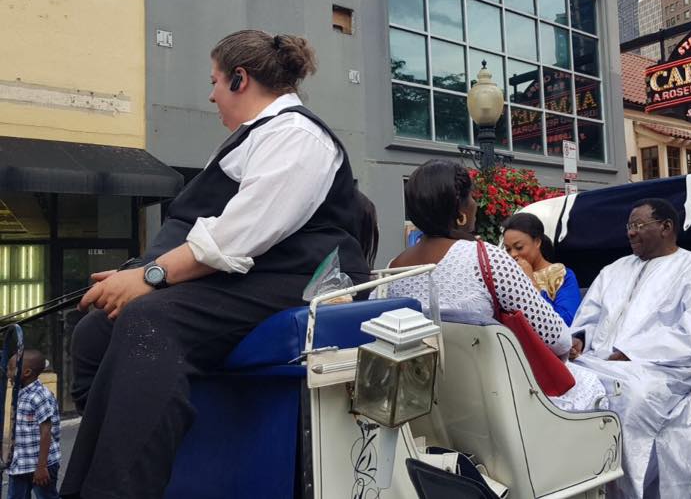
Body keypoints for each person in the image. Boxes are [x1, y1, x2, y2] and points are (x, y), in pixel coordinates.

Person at [62, 30, 369, 499]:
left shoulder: (298, 135)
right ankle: (100, 472)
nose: (210, 95)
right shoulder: (253, 138)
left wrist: (151, 277)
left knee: (150, 320)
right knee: (94, 330)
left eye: (214, 81)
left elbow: (240, 234)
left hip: (296, 281)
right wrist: (134, 272)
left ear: (240, 79)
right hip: (244, 277)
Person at [387, 160, 605, 412]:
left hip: (426, 398)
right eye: (471, 197)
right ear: (461, 213)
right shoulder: (485, 257)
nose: (476, 204)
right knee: (595, 388)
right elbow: (557, 338)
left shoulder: (394, 266)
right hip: (491, 398)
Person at [568, 198, 691, 499]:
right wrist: (579, 337)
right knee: (562, 383)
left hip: (661, 369)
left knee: (629, 399)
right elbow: (590, 315)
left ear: (666, 227)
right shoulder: (614, 270)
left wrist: (632, 353)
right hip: (598, 361)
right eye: (629, 227)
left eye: (638, 225)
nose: (630, 233)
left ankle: (629, 491)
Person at [502, 213, 582, 325]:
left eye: (519, 247)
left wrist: (531, 282)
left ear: (537, 242)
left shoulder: (561, 275)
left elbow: (567, 321)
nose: (513, 254)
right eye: (508, 249)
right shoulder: (506, 278)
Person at [6, 350, 61, 499]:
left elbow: (46, 431)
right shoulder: (20, 394)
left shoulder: (40, 396)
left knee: (47, 496)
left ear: (26, 372)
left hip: (41, 465)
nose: (7, 373)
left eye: (11, 368)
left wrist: (42, 467)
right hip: (20, 464)